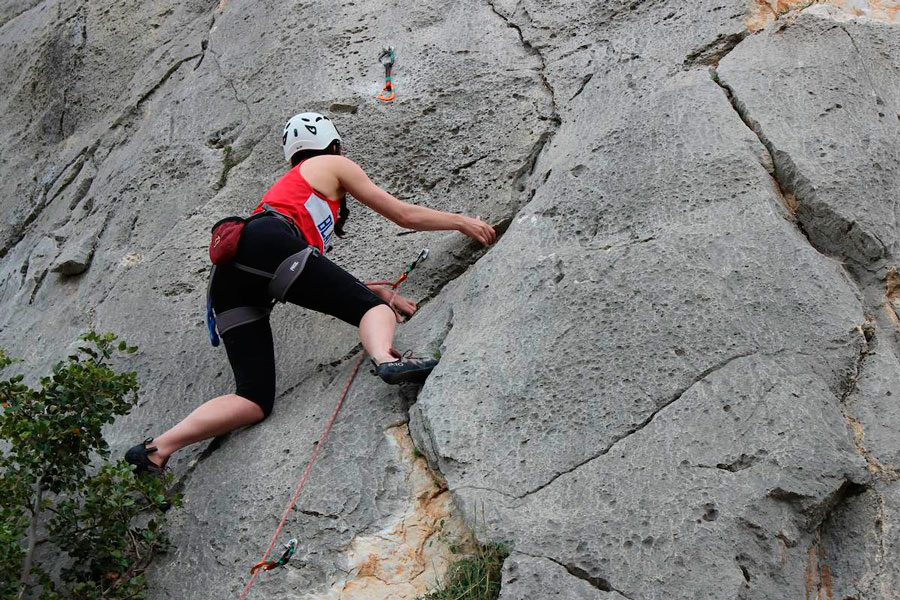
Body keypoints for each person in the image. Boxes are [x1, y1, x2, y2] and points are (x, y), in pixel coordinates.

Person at [125, 112, 495, 474]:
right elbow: (402, 215)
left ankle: (157, 450)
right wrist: (461, 221)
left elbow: (314, 277)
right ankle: (387, 359)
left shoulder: (293, 188)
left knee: (253, 400)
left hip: (230, 277)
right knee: (374, 312)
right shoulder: (333, 164)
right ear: (332, 144)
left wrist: (372, 289)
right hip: (269, 246)